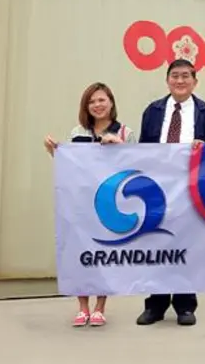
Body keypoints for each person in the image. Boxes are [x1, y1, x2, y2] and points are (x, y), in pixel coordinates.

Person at [135, 59, 205, 327]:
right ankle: (156, 304)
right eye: (175, 76)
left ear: (195, 81)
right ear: (167, 80)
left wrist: (204, 149)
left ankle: (185, 305)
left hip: (190, 189)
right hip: (158, 188)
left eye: (186, 76)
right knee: (157, 243)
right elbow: (142, 149)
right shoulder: (153, 111)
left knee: (186, 245)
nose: (180, 81)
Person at [43, 81, 137, 327]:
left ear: (111, 102)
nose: (97, 105)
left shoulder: (125, 132)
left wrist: (120, 147)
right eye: (92, 101)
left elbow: (137, 164)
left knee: (105, 254)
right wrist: (54, 151)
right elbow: (69, 164)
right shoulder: (78, 132)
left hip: (110, 202)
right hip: (81, 202)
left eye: (101, 100)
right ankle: (82, 306)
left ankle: (100, 306)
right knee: (80, 252)